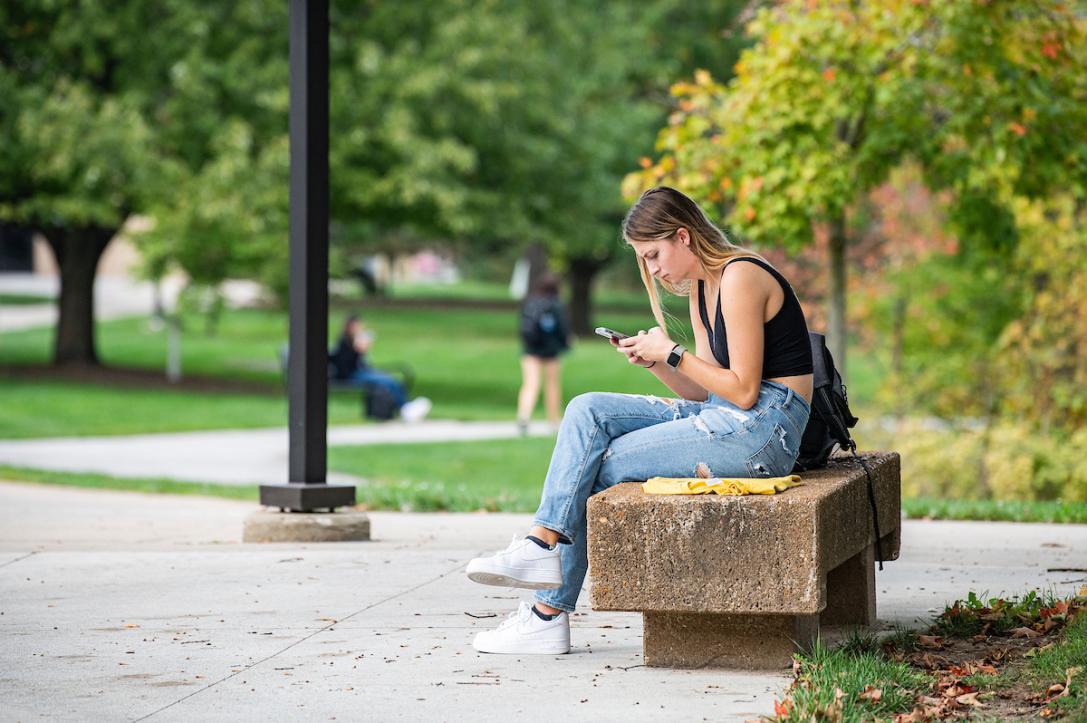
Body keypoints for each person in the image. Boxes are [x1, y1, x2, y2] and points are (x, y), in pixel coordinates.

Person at [465, 186, 814, 655]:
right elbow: (708, 391)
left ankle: (547, 610)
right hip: (730, 418)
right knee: (586, 409)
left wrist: (671, 350)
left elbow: (746, 390)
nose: (652, 269)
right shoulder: (704, 288)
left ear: (684, 236)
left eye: (653, 255)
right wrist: (656, 364)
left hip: (764, 432)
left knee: (599, 463)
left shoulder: (741, 276)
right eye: (643, 259)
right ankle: (541, 545)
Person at [329, 315, 431, 423]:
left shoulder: (354, 340)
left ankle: (405, 406)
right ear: (350, 326)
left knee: (389, 380)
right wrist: (357, 351)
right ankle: (405, 408)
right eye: (357, 326)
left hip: (360, 372)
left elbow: (362, 363)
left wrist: (362, 350)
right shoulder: (344, 343)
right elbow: (344, 364)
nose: (359, 328)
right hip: (350, 375)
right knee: (385, 380)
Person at [516, 275, 571, 434]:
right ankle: (553, 421)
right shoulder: (556, 305)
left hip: (530, 349)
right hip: (551, 351)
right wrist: (566, 344)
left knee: (530, 384)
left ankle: (524, 416)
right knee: (552, 385)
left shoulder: (530, 302)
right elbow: (562, 329)